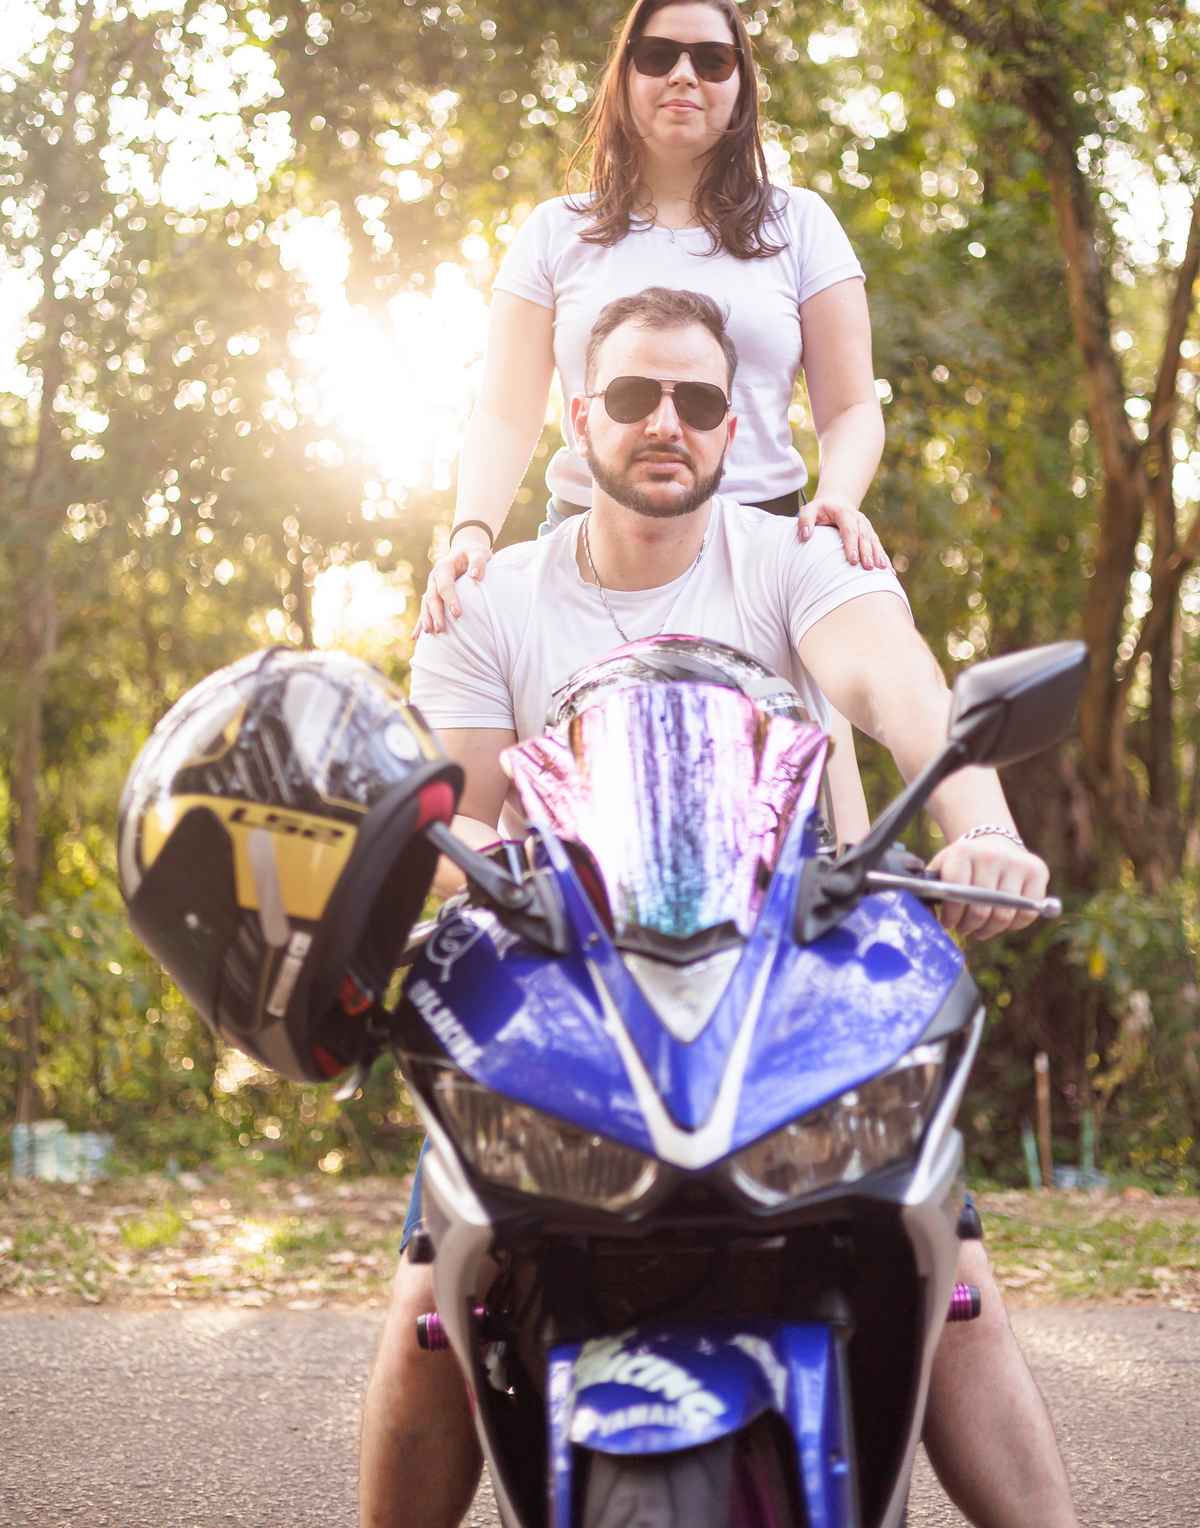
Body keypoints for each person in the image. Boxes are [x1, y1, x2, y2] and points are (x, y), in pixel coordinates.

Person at [358, 288, 1079, 1528]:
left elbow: (905, 693)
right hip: (571, 1009)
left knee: (956, 1283)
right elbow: (449, 814)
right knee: (433, 1310)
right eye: (635, 395)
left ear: (734, 426)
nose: (666, 422)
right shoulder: (490, 601)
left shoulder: (799, 556)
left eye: (698, 401)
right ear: (579, 416)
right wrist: (458, 856)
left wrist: (989, 830)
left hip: (803, 989)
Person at [417, 0, 886, 838]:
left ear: (741, 87)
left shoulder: (802, 226)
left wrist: (836, 504)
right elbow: (506, 411)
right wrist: (473, 529)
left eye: (712, 60)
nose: (684, 76)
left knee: (824, 847)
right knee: (558, 842)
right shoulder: (557, 232)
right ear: (624, 76)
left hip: (766, 557)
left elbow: (852, 408)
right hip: (598, 551)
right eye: (659, 54)